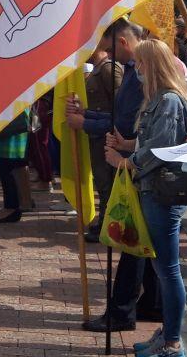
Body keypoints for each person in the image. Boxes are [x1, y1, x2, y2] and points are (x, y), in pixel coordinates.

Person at [104, 38, 187, 357]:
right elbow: (157, 141)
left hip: (163, 191)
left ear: (153, 65)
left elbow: (161, 148)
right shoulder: (163, 99)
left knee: (168, 269)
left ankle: (174, 342)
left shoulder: (169, 100)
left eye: (140, 64)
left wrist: (126, 161)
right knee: (164, 267)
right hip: (155, 189)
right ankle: (168, 333)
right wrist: (127, 144)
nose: (136, 69)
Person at [66, 19, 161, 332]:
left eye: (108, 44)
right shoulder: (133, 71)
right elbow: (117, 116)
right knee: (143, 243)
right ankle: (151, 304)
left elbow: (135, 126)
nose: (105, 51)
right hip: (127, 157)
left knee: (134, 244)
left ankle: (122, 312)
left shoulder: (146, 78)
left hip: (140, 168)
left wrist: (91, 126)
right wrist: (86, 117)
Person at [84, 38, 124, 241]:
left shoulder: (109, 69)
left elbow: (118, 108)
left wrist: (88, 121)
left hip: (106, 135)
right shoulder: (98, 68)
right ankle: (104, 222)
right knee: (101, 180)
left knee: (106, 181)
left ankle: (106, 224)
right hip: (97, 133)